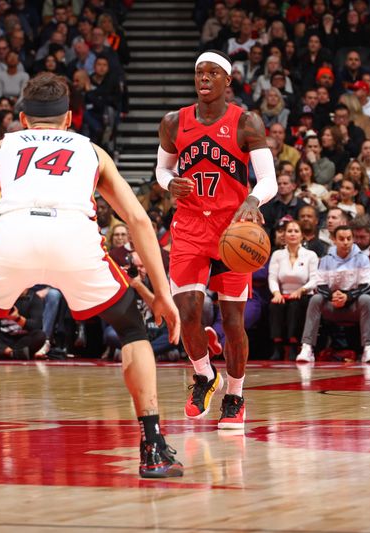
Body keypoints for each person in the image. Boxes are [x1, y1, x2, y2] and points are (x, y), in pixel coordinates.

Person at [0, 73, 184, 479]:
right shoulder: (92, 151)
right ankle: (153, 448)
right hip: (73, 238)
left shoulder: (1, 147)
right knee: (131, 328)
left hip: (12, 238)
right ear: (70, 118)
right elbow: (140, 221)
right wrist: (161, 293)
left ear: (23, 119)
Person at [156, 50, 276, 430]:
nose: (203, 78)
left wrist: (254, 199)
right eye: (198, 73)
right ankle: (205, 376)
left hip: (231, 229)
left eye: (212, 73)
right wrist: (167, 182)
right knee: (187, 312)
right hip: (190, 225)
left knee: (232, 318)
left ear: (228, 80)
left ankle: (236, 395)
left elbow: (268, 180)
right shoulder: (175, 122)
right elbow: (161, 169)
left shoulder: (247, 122)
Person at [296, 224, 370, 363]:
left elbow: (367, 286)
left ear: (353, 239)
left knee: (366, 299)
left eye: (348, 238)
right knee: (315, 299)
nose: (346, 242)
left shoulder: (362, 258)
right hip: (332, 305)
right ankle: (307, 347)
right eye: (341, 239)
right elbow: (319, 285)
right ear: (334, 240)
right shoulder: (326, 259)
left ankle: (369, 348)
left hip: (353, 306)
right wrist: (331, 296)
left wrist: (348, 296)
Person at [268, 219, 317, 361]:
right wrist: (276, 293)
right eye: (289, 231)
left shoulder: (310, 255)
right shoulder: (277, 255)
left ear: (302, 235)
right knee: (274, 305)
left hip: (304, 294)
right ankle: (277, 347)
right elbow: (272, 277)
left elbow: (314, 279)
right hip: (283, 294)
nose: (293, 234)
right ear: (284, 235)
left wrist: (301, 290)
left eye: (296, 231)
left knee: (295, 305)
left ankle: (293, 346)